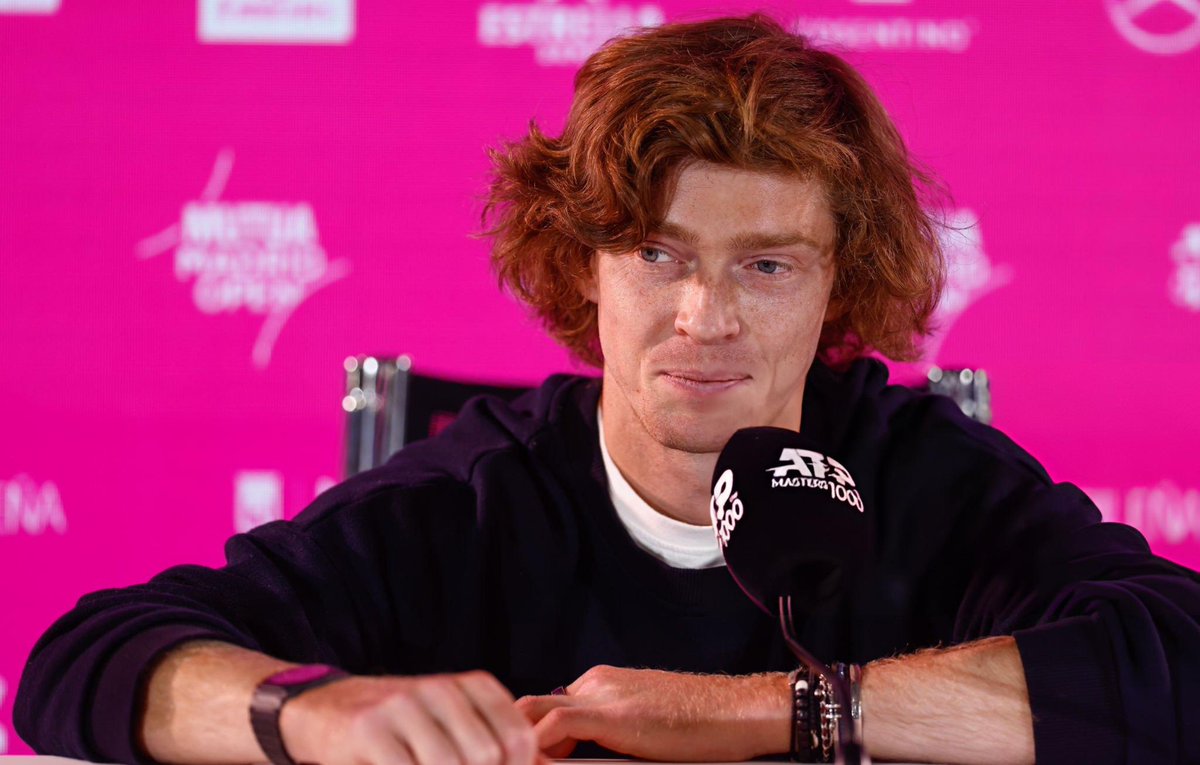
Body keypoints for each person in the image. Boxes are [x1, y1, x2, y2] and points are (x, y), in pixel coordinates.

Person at [16, 14, 1200, 765]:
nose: (706, 318)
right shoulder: (466, 501)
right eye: (656, 255)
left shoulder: (923, 477)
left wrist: (754, 715)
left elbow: (1179, 661)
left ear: (844, 285)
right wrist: (308, 714)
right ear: (584, 266)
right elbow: (85, 662)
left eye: (768, 265)